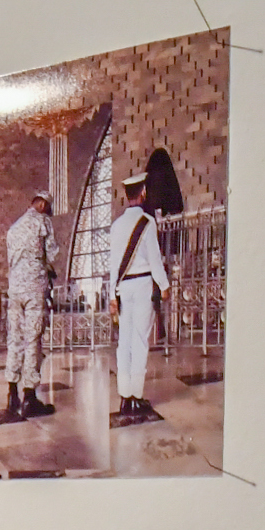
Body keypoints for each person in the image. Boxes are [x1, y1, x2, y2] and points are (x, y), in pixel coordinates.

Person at [106, 173, 169, 417]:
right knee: (140, 341)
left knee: (124, 342)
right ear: (143, 192)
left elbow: (113, 264)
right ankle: (136, 396)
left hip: (123, 287)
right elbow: (154, 258)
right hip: (142, 285)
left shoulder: (116, 226)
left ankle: (124, 397)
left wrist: (112, 295)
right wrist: (164, 285)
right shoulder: (147, 222)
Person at [3, 192, 57, 418]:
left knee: (14, 338)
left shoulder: (13, 228)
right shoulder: (42, 222)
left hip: (14, 289)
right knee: (33, 340)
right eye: (49, 208)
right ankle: (29, 397)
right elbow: (51, 254)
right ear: (42, 204)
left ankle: (12, 394)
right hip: (34, 289)